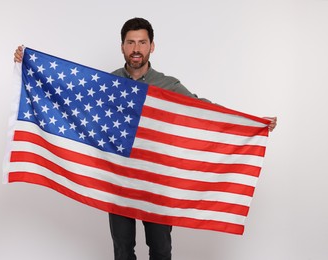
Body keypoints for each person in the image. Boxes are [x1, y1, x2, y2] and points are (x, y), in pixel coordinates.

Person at [14, 17, 277, 260]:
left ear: (152, 46)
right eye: (131, 42)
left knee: (161, 249)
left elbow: (203, 110)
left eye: (142, 42)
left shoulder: (168, 85)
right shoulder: (109, 83)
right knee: (122, 249)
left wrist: (251, 123)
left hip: (157, 182)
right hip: (118, 181)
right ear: (122, 47)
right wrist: (27, 64)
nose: (136, 48)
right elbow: (71, 102)